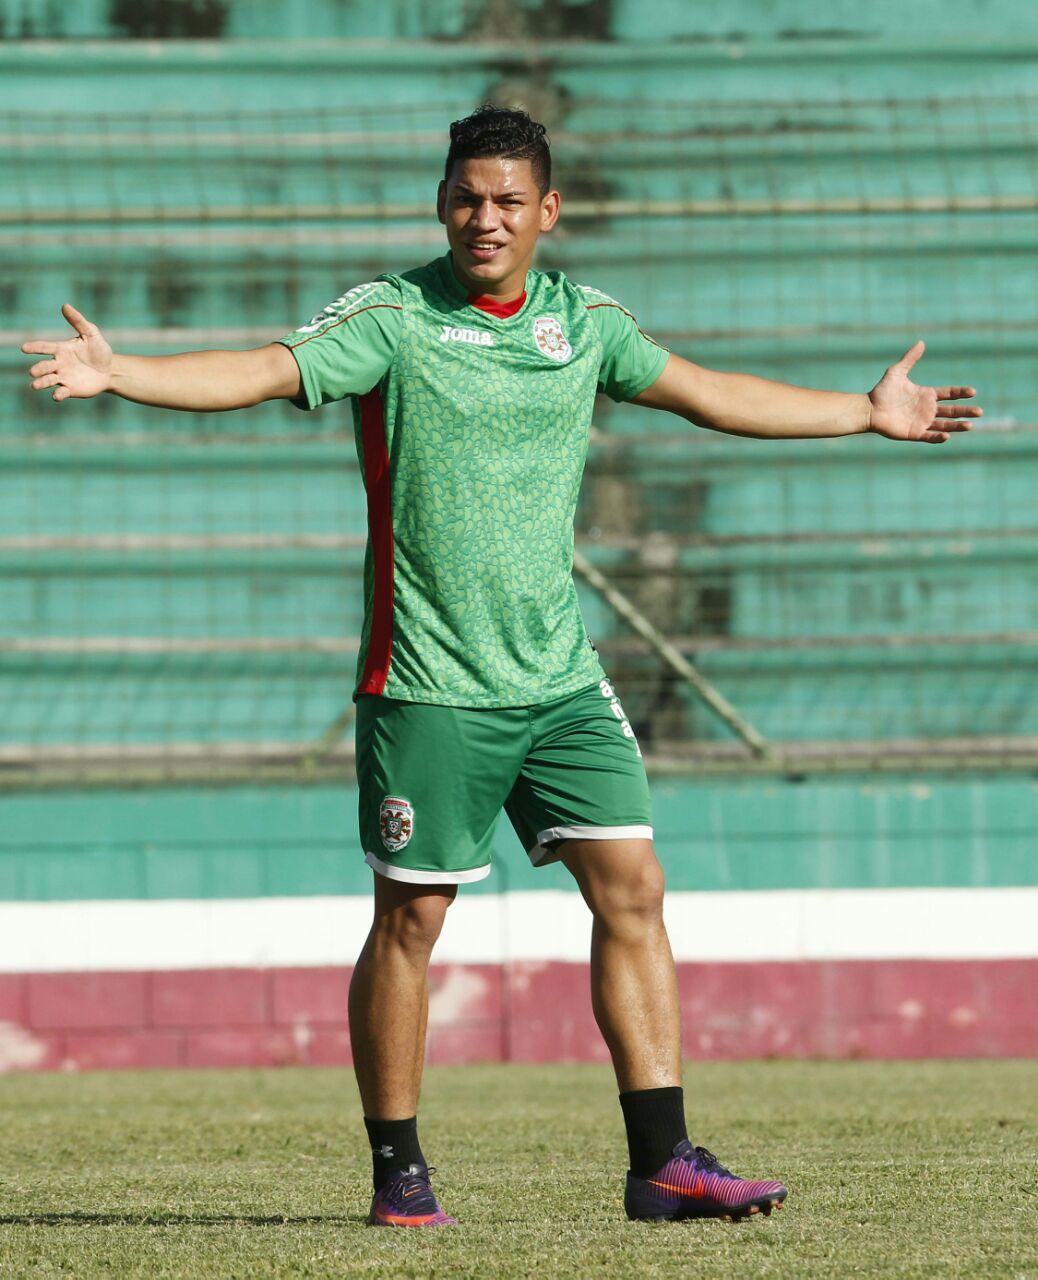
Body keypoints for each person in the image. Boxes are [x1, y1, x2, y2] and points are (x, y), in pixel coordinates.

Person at [20, 105, 981, 1228]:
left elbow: (709, 391)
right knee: (413, 920)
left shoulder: (584, 323)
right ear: (441, 202)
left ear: (548, 212)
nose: (487, 218)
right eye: (468, 197)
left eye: (510, 201)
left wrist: (863, 413)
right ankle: (399, 1170)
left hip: (560, 680)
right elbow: (266, 368)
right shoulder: (392, 317)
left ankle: (664, 1159)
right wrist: (124, 371)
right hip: (430, 680)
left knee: (635, 888)